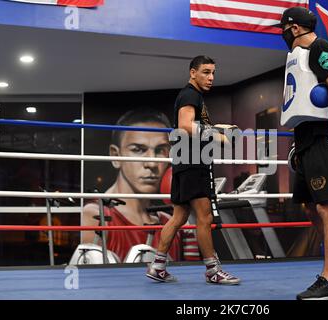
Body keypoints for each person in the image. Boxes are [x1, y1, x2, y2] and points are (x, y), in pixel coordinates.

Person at [274, 7, 328, 300]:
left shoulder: (320, 48)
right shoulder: (297, 58)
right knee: (311, 208)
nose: (282, 34)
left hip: (325, 136)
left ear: (294, 28)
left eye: (283, 28)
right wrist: (298, 145)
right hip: (307, 139)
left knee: (327, 207)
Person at [146, 55, 241, 285]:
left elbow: (193, 126)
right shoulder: (190, 94)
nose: (211, 77)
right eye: (206, 72)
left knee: (178, 217)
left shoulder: (193, 96)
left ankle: (158, 265)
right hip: (192, 164)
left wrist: (216, 130)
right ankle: (212, 270)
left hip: (184, 163)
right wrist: (218, 136)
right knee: (205, 217)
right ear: (192, 73)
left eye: (213, 73)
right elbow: (185, 126)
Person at [81, 108, 199, 262]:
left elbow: (191, 275)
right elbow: (91, 279)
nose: (151, 163)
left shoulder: (170, 222)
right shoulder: (96, 215)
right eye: (138, 149)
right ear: (116, 156)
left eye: (160, 150)